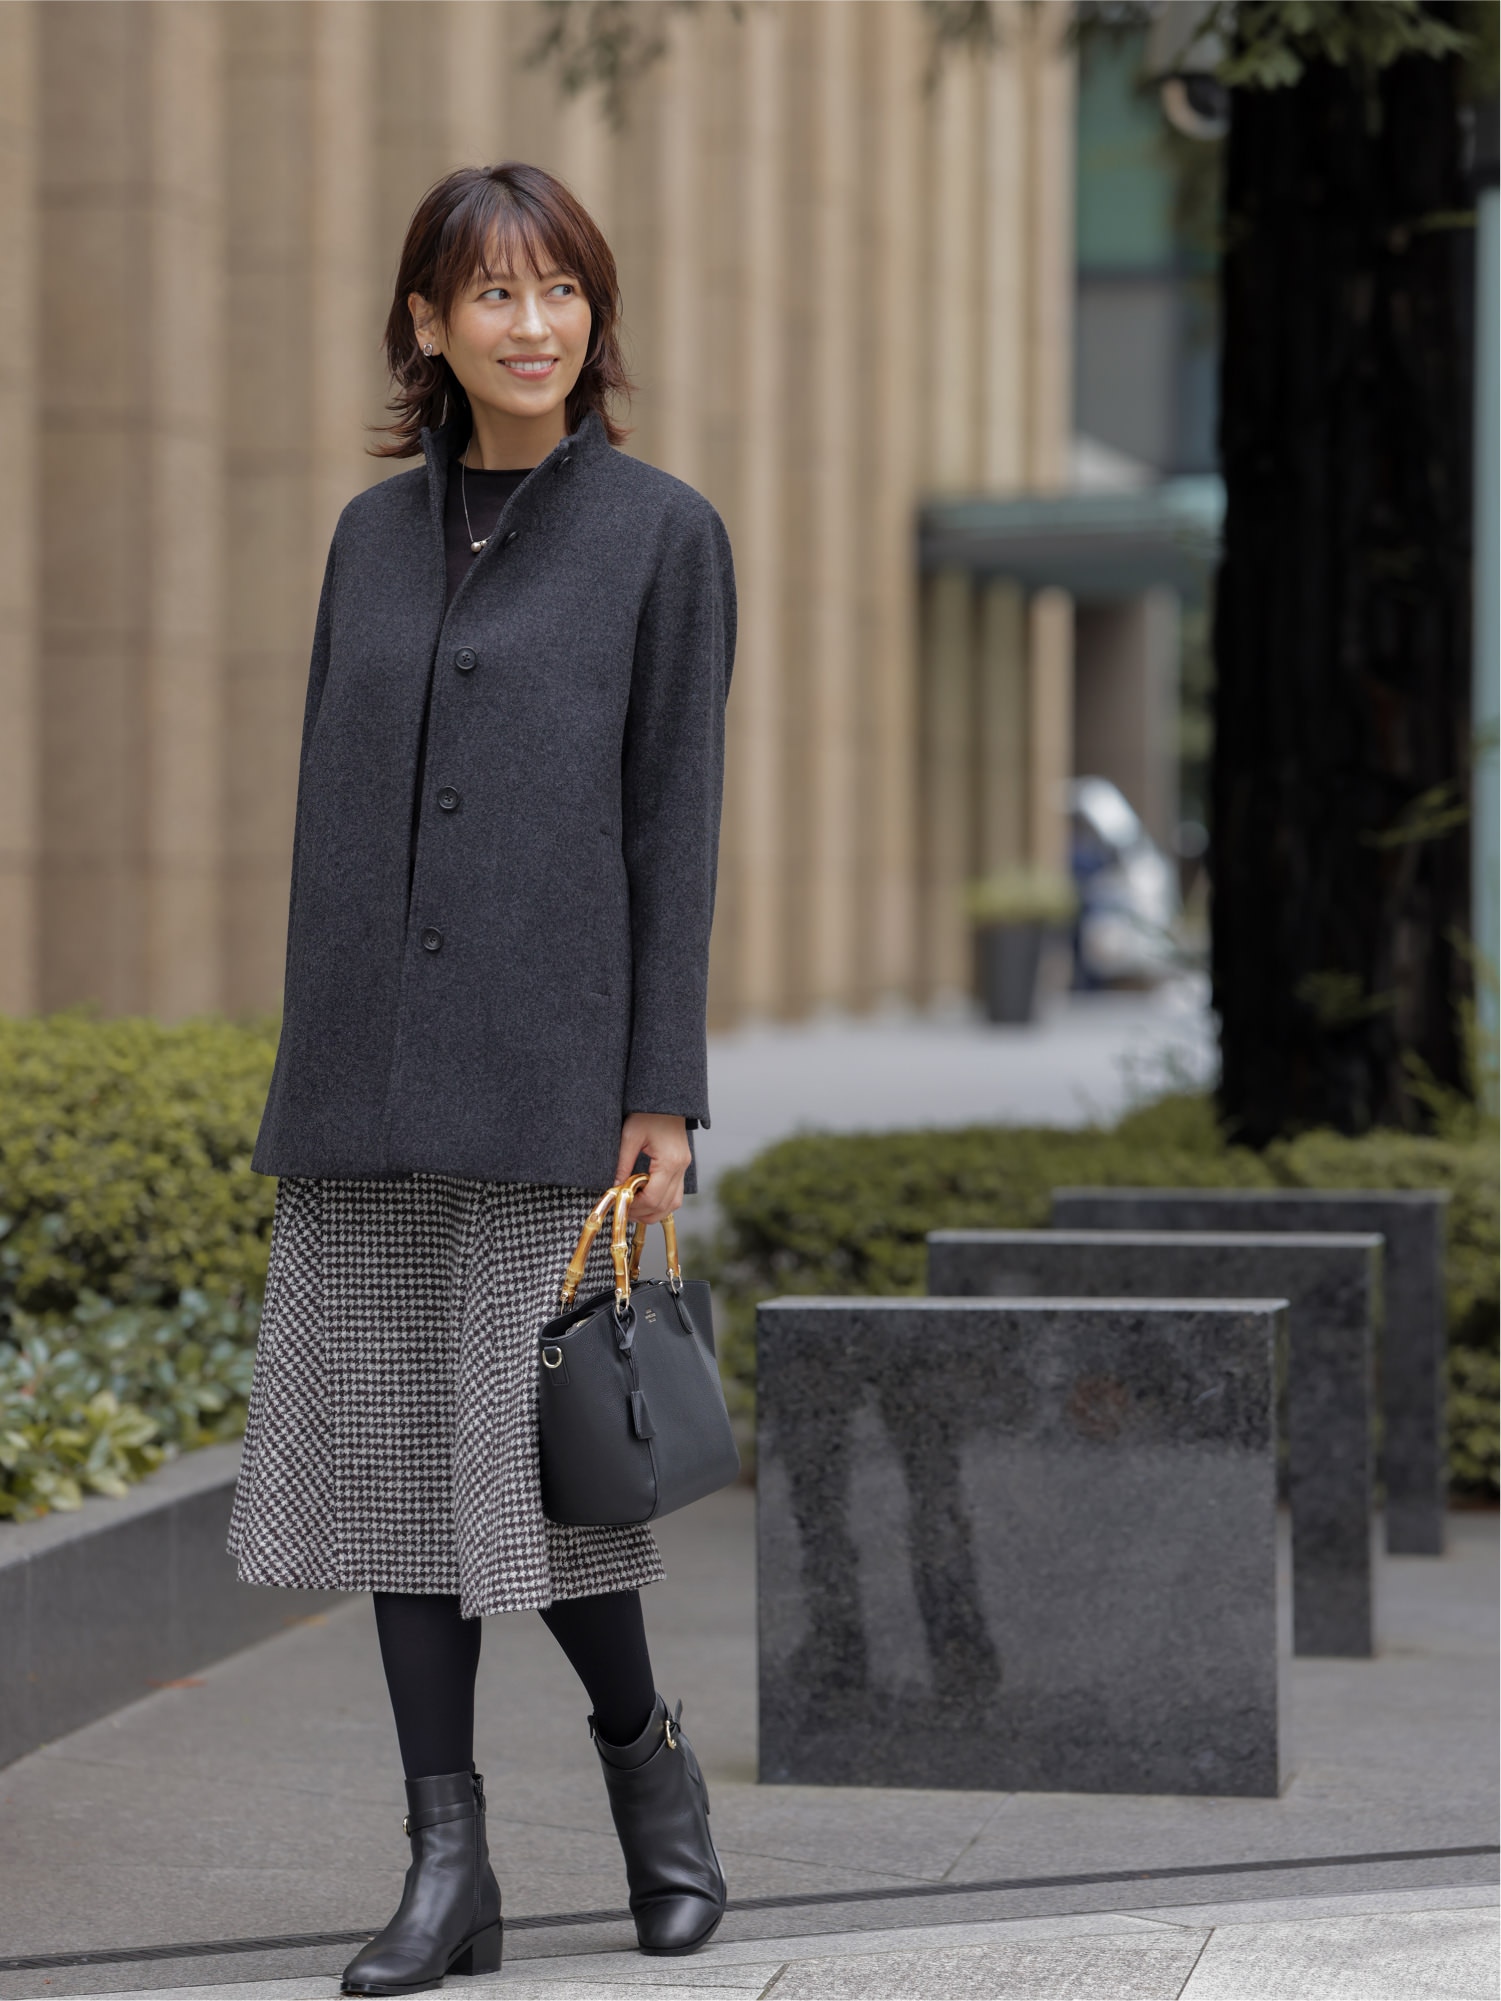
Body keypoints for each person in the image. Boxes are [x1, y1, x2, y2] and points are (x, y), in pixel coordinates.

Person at [227, 161, 735, 1996]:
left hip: (551, 1080)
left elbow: (672, 827)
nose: (535, 324)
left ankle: (648, 1773)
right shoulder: (370, 538)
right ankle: (448, 1865)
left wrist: (659, 1090)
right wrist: (312, 1061)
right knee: (393, 1474)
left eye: (562, 289)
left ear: (595, 316)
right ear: (426, 325)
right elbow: (326, 815)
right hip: (367, 1084)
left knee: (547, 1471)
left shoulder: (661, 536)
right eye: (495, 294)